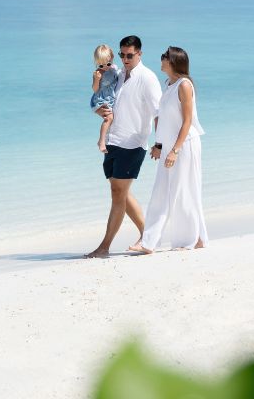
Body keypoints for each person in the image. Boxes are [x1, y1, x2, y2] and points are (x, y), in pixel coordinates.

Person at [84, 35, 162, 259]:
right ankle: (149, 236)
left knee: (118, 193)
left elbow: (158, 113)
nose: (126, 59)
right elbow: (103, 98)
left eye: (130, 55)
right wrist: (98, 111)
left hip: (133, 143)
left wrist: (160, 143)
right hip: (113, 141)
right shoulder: (117, 75)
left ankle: (104, 247)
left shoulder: (147, 78)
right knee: (121, 193)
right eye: (122, 55)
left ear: (139, 54)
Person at [130, 46, 208, 254]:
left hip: (185, 145)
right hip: (169, 146)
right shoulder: (169, 85)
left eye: (165, 57)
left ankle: (191, 239)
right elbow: (165, 121)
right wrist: (159, 145)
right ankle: (149, 242)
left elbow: (187, 121)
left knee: (184, 191)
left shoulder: (184, 85)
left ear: (173, 61)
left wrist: (175, 150)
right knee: (160, 193)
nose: (161, 59)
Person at [90, 44, 119, 153]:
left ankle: (107, 138)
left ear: (112, 58)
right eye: (101, 65)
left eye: (107, 63)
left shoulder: (114, 68)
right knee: (109, 118)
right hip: (101, 99)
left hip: (110, 98)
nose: (105, 67)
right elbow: (95, 89)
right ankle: (101, 141)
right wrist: (97, 79)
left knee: (112, 119)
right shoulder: (98, 73)